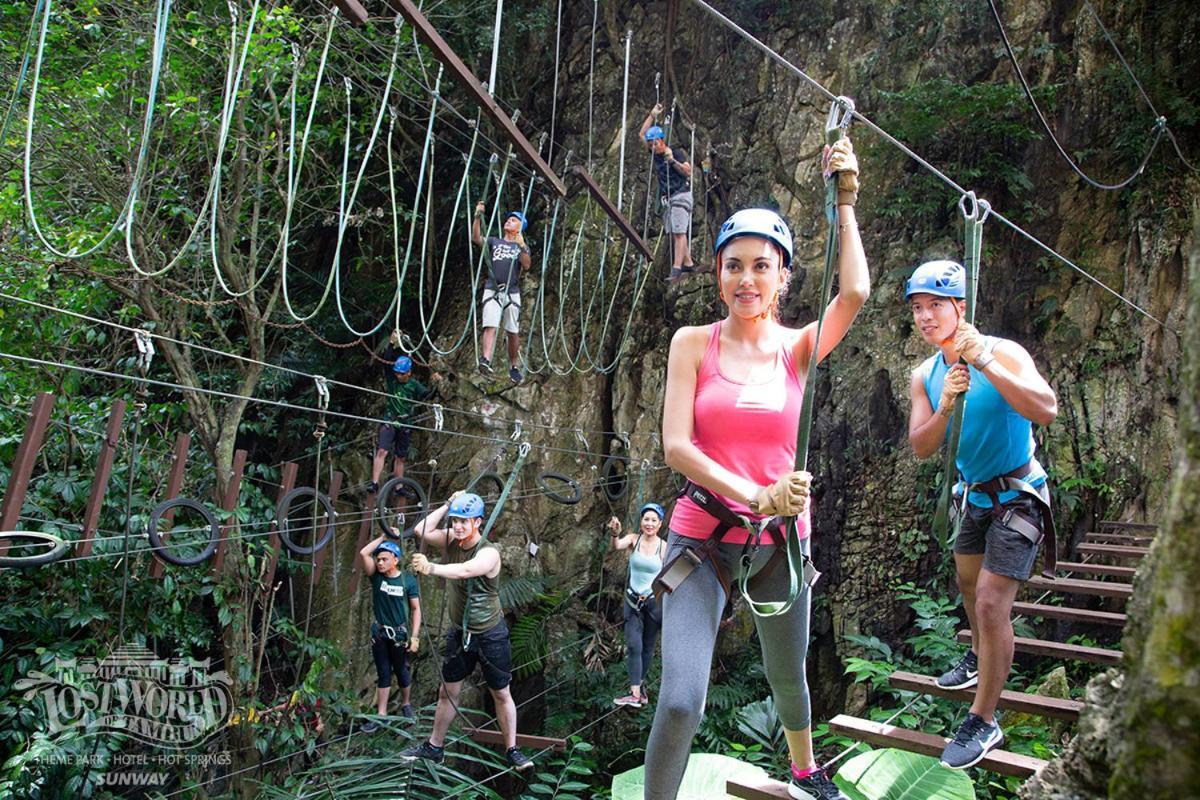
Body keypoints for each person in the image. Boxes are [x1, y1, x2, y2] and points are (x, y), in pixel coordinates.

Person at [649, 134, 868, 800]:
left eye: (762, 267)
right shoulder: (692, 344)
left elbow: (855, 290)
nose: (747, 279)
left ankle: (804, 768)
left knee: (787, 675)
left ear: (783, 278)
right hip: (703, 540)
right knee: (683, 698)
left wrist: (846, 200)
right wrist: (757, 493)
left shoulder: (798, 349)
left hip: (779, 546)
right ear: (718, 274)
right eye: (734, 265)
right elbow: (677, 448)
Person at [904, 260, 1058, 769]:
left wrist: (987, 361)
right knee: (969, 590)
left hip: (1019, 493)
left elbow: (1045, 408)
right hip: (973, 496)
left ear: (960, 308)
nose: (926, 317)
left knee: (992, 604)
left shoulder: (1004, 352)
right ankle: (977, 657)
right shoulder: (924, 375)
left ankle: (984, 720)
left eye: (935, 306)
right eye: (918, 309)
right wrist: (946, 404)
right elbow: (922, 447)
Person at [399, 491, 534, 771]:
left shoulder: (489, 552)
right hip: (460, 633)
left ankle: (512, 749)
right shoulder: (452, 539)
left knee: (501, 692)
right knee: (447, 692)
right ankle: (435, 746)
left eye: (464, 521)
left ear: (479, 523)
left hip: (490, 633)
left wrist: (431, 567)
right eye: (455, 521)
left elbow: (464, 570)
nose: (458, 527)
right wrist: (448, 503)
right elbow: (421, 529)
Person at [357, 538, 421, 733]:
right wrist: (384, 538)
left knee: (401, 670)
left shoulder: (408, 581)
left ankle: (406, 704)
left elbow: (416, 608)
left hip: (399, 634)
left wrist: (415, 636)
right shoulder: (377, 577)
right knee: (383, 672)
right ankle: (381, 714)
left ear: (396, 559)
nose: (380, 562)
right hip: (380, 632)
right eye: (379, 559)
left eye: (385, 559)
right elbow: (363, 553)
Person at [608, 503, 667, 708]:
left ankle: (638, 690)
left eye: (653, 520)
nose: (649, 523)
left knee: (648, 647)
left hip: (653, 603)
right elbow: (616, 546)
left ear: (660, 524)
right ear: (641, 521)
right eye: (646, 519)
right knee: (634, 645)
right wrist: (615, 533)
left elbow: (671, 575)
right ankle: (635, 692)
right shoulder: (634, 539)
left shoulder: (664, 547)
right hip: (633, 601)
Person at [370, 332, 437, 494]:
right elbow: (386, 362)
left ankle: (399, 486)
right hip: (390, 419)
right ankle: (374, 483)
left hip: (406, 422)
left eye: (401, 373)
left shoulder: (414, 385)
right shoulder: (391, 379)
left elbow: (426, 396)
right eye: (397, 373)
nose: (398, 376)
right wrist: (392, 344)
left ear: (409, 373)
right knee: (382, 451)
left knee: (401, 457)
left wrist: (435, 383)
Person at [473, 202, 531, 383]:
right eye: (509, 219)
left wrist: (522, 245)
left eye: (513, 220)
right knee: (490, 325)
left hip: (512, 291)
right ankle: (485, 359)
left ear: (520, 228)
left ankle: (514, 366)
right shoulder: (494, 241)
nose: (509, 221)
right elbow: (476, 238)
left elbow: (527, 265)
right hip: (492, 287)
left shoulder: (521, 247)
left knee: (512, 331)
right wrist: (477, 217)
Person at [639, 103, 694, 282]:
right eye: (651, 145)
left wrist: (672, 161)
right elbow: (641, 134)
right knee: (675, 231)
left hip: (681, 194)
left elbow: (688, 172)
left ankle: (677, 268)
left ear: (662, 141)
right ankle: (689, 263)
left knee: (679, 233)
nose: (653, 147)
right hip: (669, 198)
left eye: (655, 143)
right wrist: (652, 114)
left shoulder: (676, 153)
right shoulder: (655, 155)